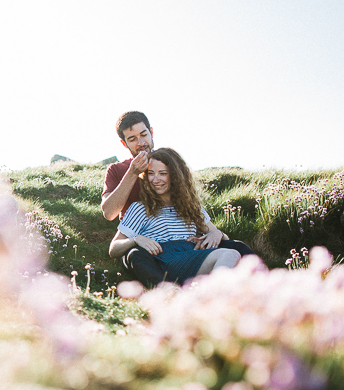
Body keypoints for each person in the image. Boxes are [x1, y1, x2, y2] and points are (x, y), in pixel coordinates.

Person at [101, 111, 254, 287]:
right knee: (135, 255)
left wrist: (215, 233)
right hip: (146, 243)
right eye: (133, 138)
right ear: (124, 142)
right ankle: (167, 292)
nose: (141, 143)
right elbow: (109, 214)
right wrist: (133, 172)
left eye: (144, 135)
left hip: (187, 246)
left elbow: (208, 226)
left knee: (236, 248)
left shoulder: (167, 161)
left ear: (151, 132)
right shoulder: (119, 173)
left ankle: (255, 287)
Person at [109, 148, 241, 285]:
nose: (155, 179)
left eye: (162, 173)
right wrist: (136, 239)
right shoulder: (140, 208)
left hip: (190, 256)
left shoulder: (192, 207)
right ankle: (173, 292)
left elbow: (221, 236)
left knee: (234, 250)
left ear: (175, 176)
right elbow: (114, 249)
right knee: (135, 254)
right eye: (151, 173)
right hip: (160, 260)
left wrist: (217, 233)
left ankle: (244, 290)